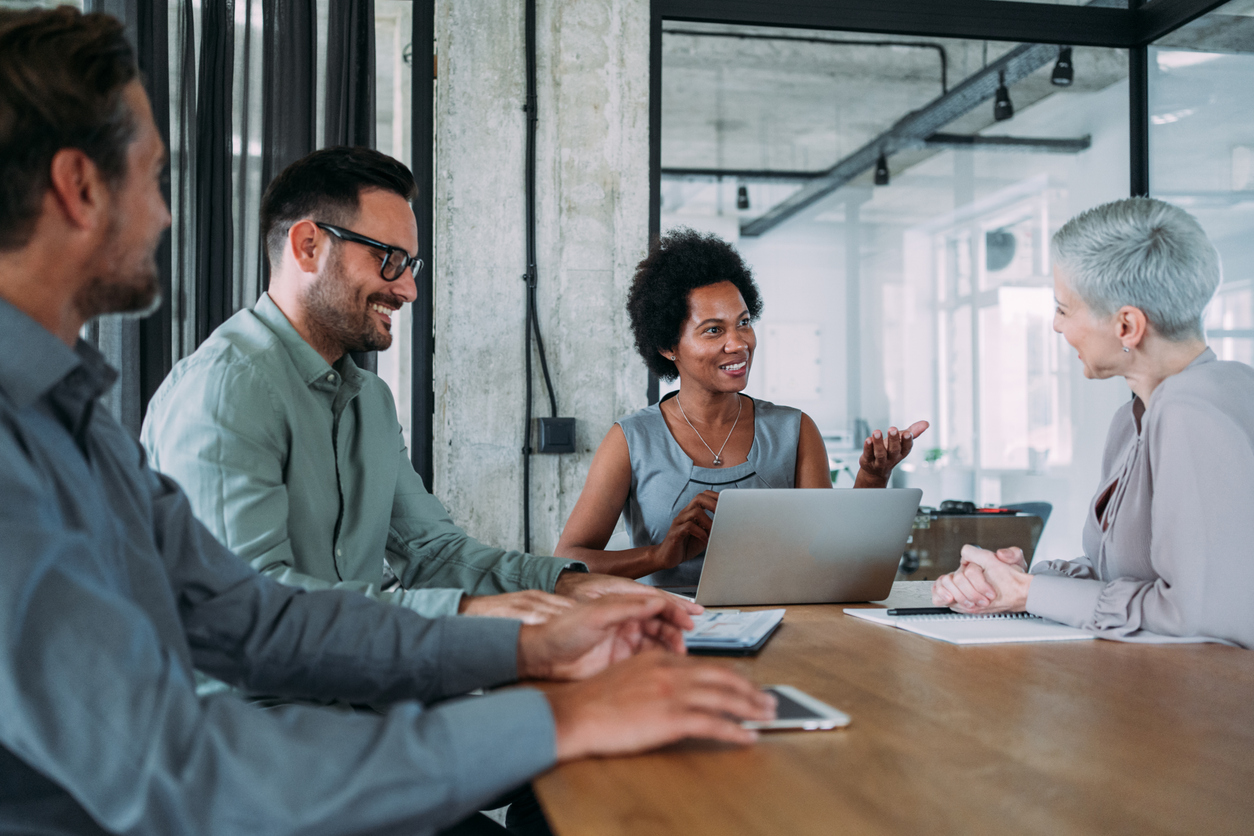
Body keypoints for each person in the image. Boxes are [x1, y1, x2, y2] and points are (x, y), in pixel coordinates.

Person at [0, 8, 776, 835]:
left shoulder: (73, 417)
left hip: (311, 747)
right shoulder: (196, 396)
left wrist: (534, 637)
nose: (163, 215)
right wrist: (559, 713)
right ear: (79, 187)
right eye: (153, 178)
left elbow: (255, 617)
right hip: (252, 778)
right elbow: (184, 761)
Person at [141, 146, 672, 629]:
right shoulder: (226, 390)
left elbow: (432, 551)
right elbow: (244, 609)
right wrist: (466, 611)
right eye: (388, 259)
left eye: (410, 264)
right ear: (308, 246)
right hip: (248, 720)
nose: (409, 288)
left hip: (356, 695)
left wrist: (570, 585)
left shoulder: (369, 401)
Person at [932, 197, 1254, 649]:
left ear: (1127, 326)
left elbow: (1200, 614)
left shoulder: (1191, 410)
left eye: (1064, 308)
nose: (1056, 327)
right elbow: (1122, 575)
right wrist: (1021, 579)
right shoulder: (1134, 419)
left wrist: (1030, 594)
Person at [555, 228, 928, 584]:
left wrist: (873, 477)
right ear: (668, 347)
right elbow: (566, 561)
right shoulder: (632, 440)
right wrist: (658, 556)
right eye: (714, 330)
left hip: (787, 627)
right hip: (669, 629)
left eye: (744, 323)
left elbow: (834, 559)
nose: (739, 344)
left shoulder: (794, 431)